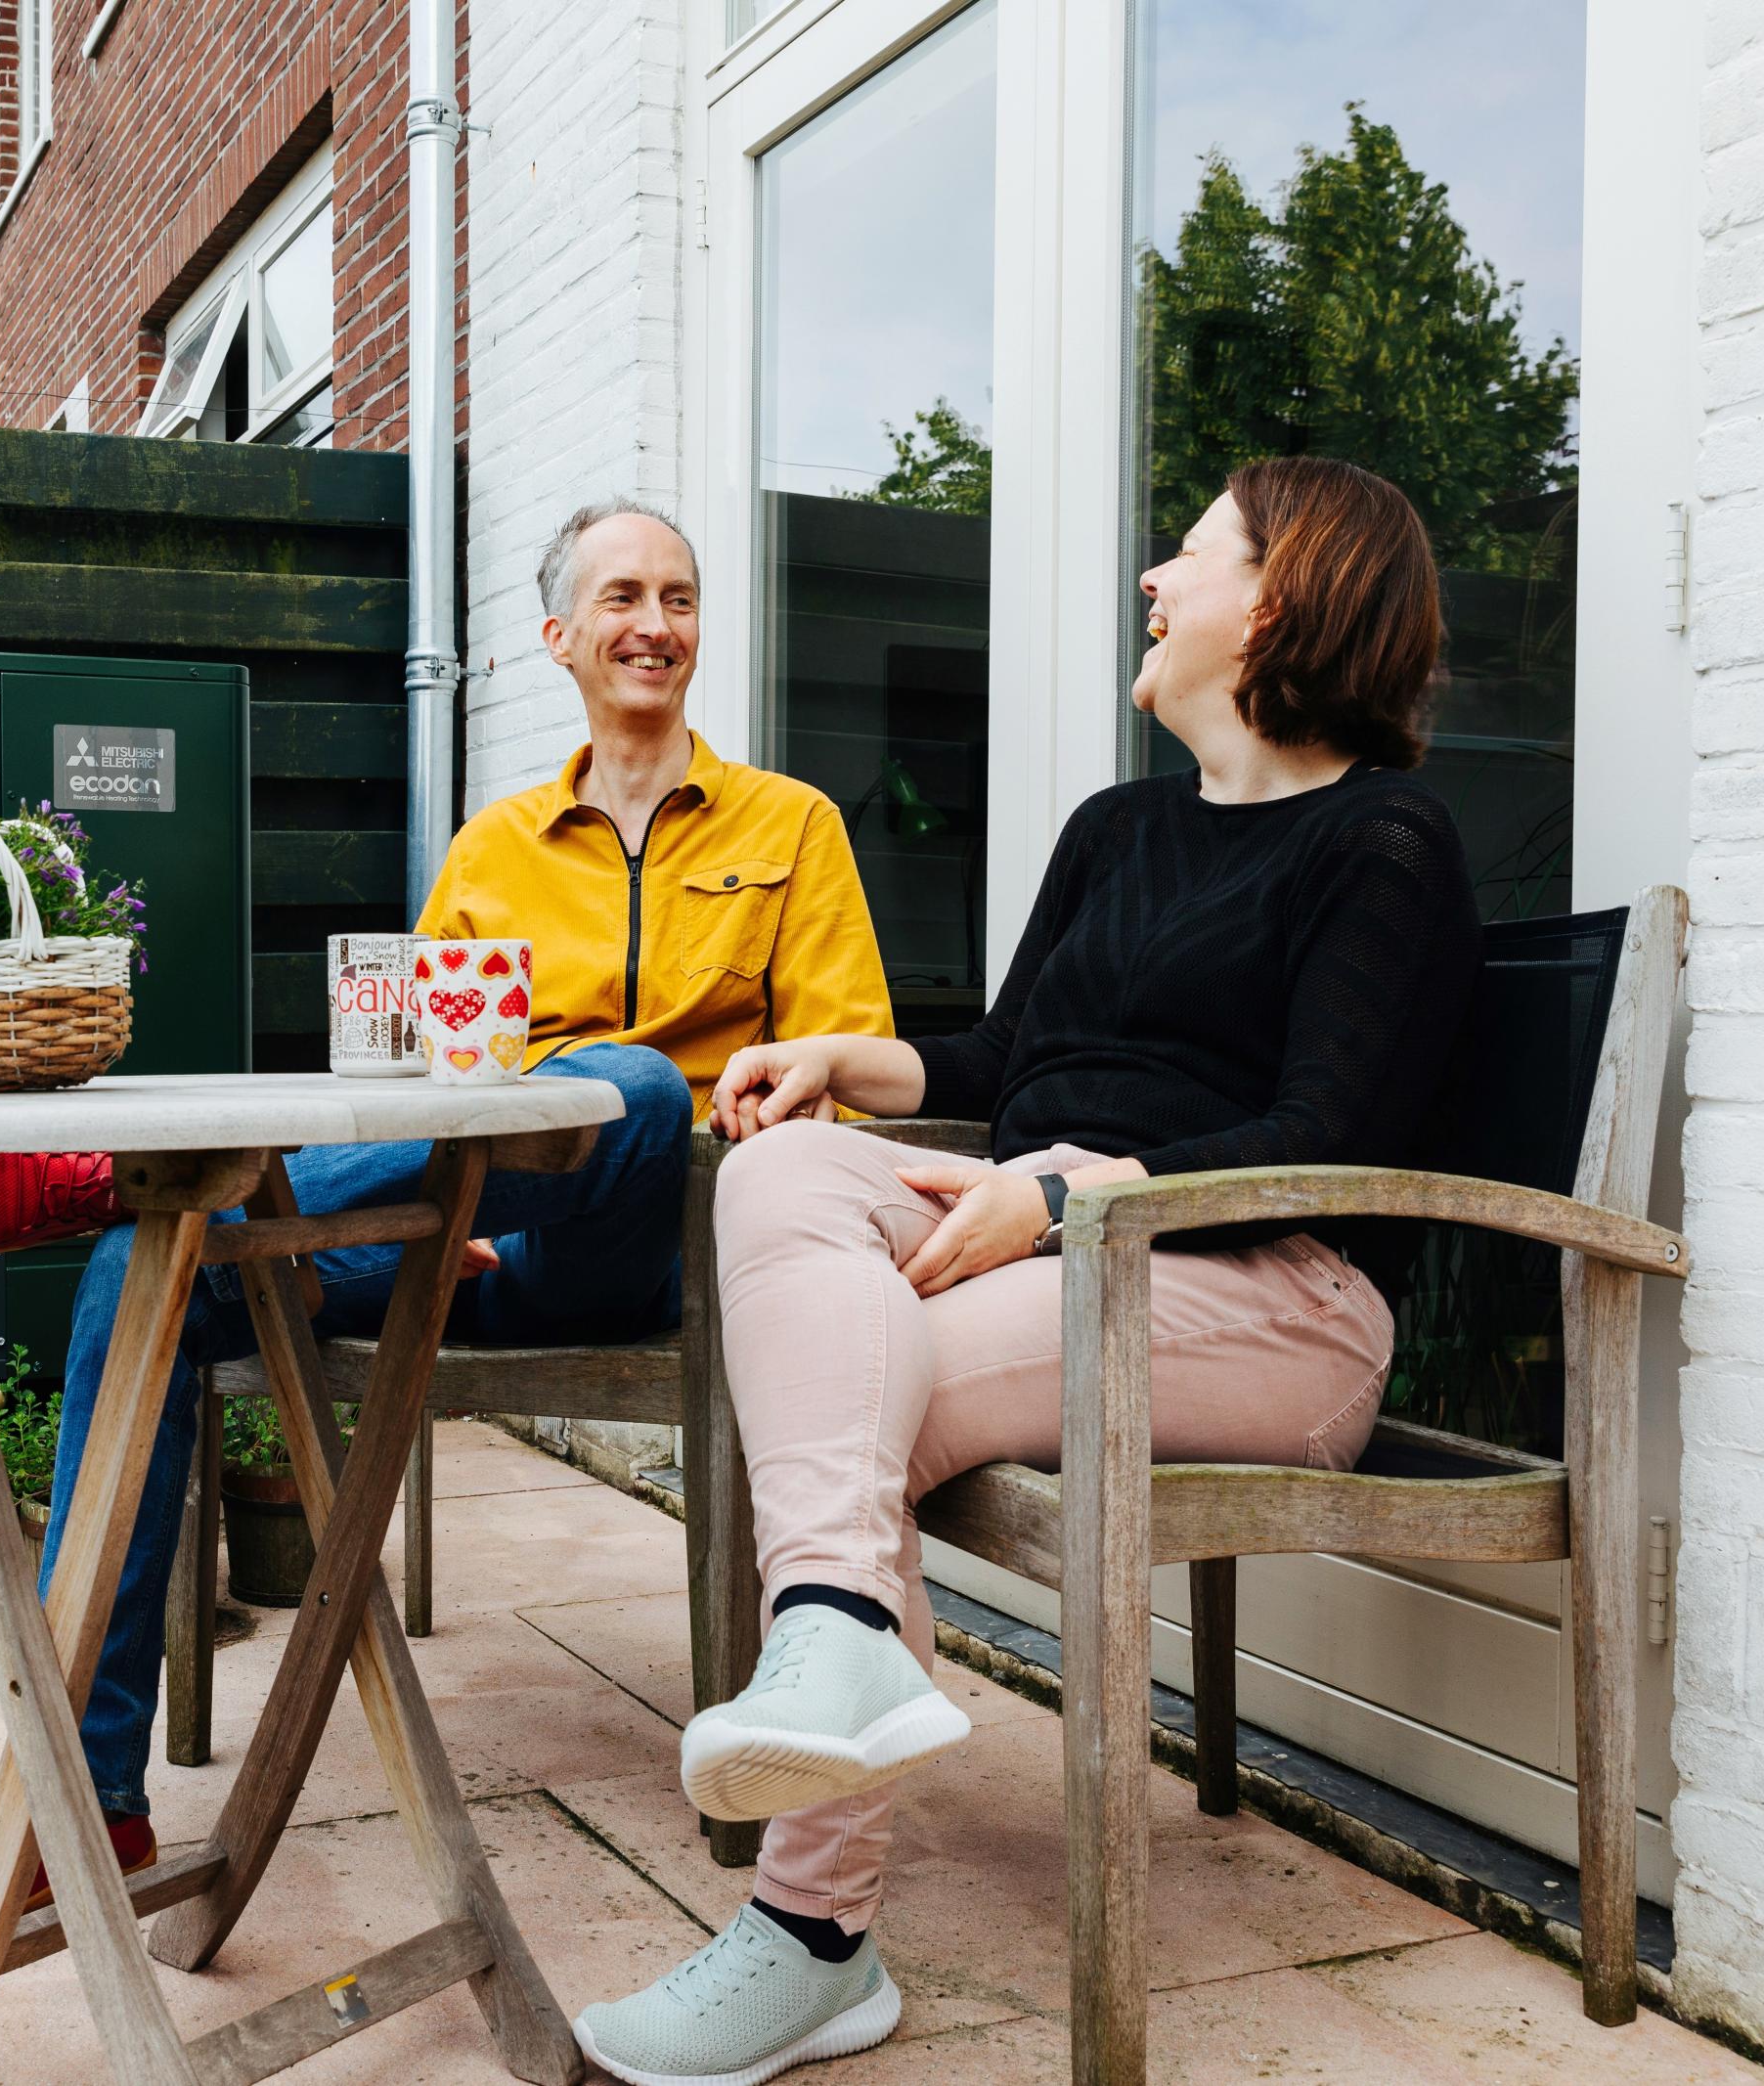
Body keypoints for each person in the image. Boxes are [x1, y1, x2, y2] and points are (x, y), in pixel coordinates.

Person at [0, 498, 897, 1963]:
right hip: (455, 1240)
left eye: (678, 594)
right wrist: (418, 1214)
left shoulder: (794, 826)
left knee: (637, 1088)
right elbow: (413, 1071)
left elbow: (848, 1064)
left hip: (658, 1239)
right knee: (143, 1277)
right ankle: (79, 1802)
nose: (654, 621)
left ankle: (154, 1170)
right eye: (621, 597)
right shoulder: (496, 846)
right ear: (559, 639)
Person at [568, 457, 1482, 2086]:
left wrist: (1070, 1196)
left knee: (871, 1396)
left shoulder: (1386, 841)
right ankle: (843, 1625)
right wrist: (845, 1052)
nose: (1151, 578)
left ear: (1277, 600)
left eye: (1187, 554)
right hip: (1062, 1235)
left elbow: (1331, 1132)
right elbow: (1014, 1048)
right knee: (780, 1165)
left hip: (1269, 1291)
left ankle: (813, 1939)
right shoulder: (1119, 826)